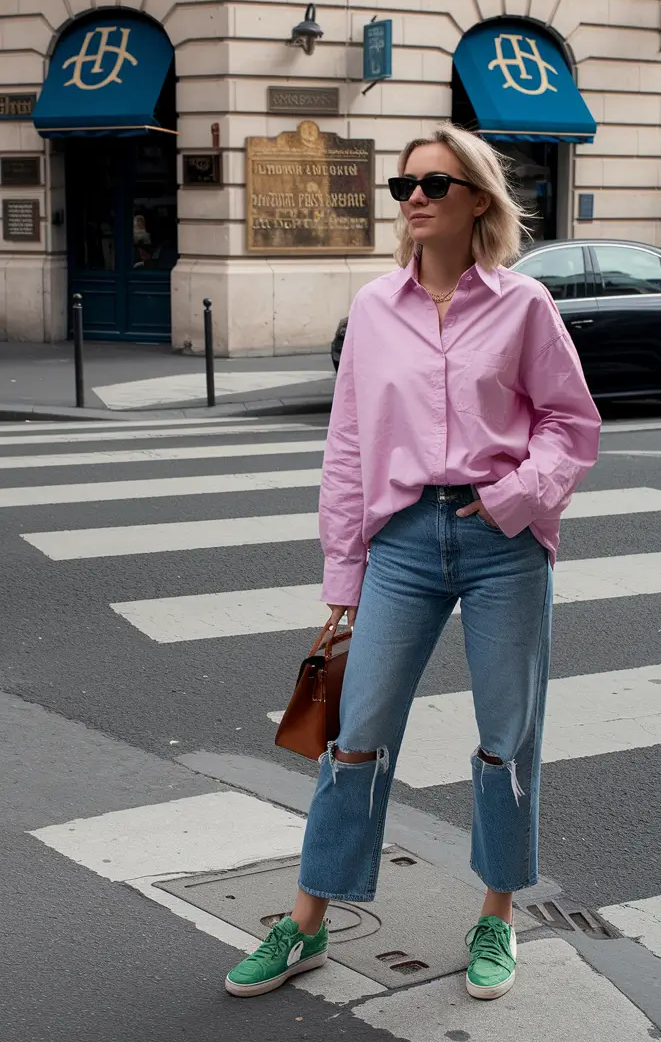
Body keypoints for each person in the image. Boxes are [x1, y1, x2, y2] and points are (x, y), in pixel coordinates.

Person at [225, 123, 601, 1002]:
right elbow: (348, 446)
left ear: (477, 199)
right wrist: (343, 577)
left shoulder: (523, 306)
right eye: (405, 187)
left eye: (434, 184)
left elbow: (571, 424)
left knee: (506, 738)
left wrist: (516, 496)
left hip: (502, 541)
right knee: (353, 733)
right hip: (398, 541)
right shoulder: (373, 309)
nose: (416, 199)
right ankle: (307, 922)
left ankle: (496, 916)